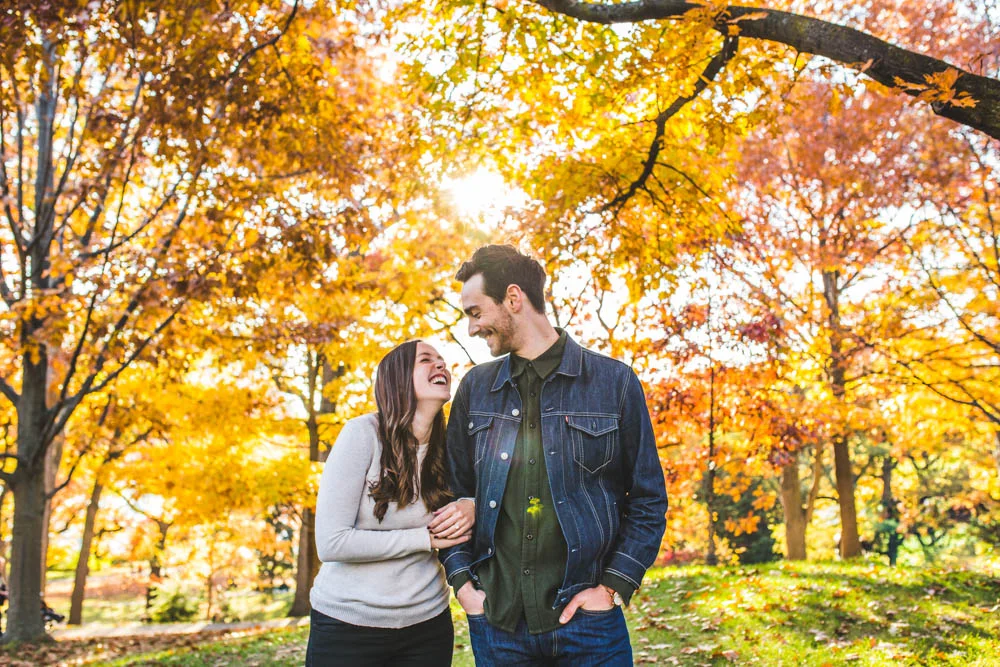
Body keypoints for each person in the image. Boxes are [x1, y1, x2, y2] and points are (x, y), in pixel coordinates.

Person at [440, 245, 668, 666]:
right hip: (498, 624)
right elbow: (451, 494)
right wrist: (463, 584)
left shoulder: (614, 382)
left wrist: (613, 586)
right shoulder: (475, 388)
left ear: (513, 298)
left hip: (591, 627)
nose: (471, 328)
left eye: (475, 312)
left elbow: (649, 499)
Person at [307, 340, 474, 667]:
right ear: (397, 378)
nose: (441, 365)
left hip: (428, 625)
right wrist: (423, 538)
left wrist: (472, 504)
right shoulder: (361, 434)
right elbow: (331, 543)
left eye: (442, 360)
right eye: (426, 360)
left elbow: (478, 499)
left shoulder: (452, 446)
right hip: (347, 624)